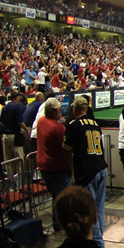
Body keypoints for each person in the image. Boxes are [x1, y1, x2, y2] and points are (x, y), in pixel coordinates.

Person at [63, 96, 108, 248]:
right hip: (101, 167)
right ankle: (99, 238)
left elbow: (67, 149)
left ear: (75, 109)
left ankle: (97, 244)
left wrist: (71, 168)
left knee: (89, 209)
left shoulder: (73, 125)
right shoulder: (95, 123)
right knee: (99, 207)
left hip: (86, 170)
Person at [37, 98, 71, 230]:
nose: (60, 111)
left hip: (44, 166)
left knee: (56, 196)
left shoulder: (41, 121)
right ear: (51, 111)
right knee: (60, 198)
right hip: (57, 168)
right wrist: (71, 168)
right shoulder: (58, 128)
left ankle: (58, 223)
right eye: (57, 109)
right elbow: (66, 152)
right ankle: (59, 224)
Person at [0, 90, 26, 162]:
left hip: (5, 136)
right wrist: (27, 130)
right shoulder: (16, 107)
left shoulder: (4, 107)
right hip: (14, 136)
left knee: (9, 161)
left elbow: (0, 122)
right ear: (16, 98)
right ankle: (20, 174)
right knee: (19, 160)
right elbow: (20, 122)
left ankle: (10, 174)